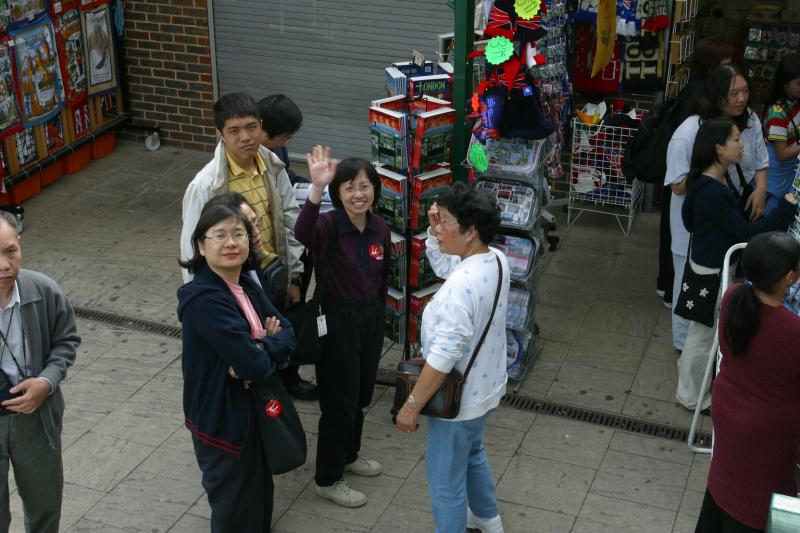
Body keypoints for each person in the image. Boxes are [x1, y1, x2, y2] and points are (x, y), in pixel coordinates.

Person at [180, 92, 317, 401]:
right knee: (242, 348)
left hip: (272, 274)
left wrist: (295, 276)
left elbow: (289, 221)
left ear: (261, 126)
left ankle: (281, 384)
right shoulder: (206, 185)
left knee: (275, 332)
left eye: (251, 127)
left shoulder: (272, 165)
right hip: (235, 282)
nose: (245, 137)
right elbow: (191, 248)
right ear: (219, 134)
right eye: (234, 130)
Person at [395, 184, 510, 533]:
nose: (438, 228)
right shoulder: (495, 260)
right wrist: (435, 231)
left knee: (445, 482)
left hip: (458, 402)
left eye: (445, 222)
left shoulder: (462, 286)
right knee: (473, 452)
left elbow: (444, 357)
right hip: (485, 391)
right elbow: (450, 266)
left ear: (470, 230)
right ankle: (488, 519)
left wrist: (412, 404)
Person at [177, 203, 295, 532]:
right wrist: (265, 352)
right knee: (234, 505)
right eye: (220, 235)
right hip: (222, 421)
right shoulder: (203, 299)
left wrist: (262, 348)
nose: (231, 243)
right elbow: (255, 364)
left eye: (238, 234)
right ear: (201, 245)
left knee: (259, 498)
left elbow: (287, 332)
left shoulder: (244, 283)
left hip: (252, 410)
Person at [676, 117, 796, 411]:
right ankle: (690, 395)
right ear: (719, 149)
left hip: (704, 265)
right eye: (736, 140)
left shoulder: (708, 181)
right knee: (702, 335)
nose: (742, 145)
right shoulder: (713, 191)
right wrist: (784, 210)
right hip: (712, 271)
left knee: (702, 332)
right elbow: (745, 234)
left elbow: (691, 222)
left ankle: (691, 387)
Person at [295, 146, 390, 508]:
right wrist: (316, 188)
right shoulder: (328, 225)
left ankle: (349, 456)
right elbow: (302, 234)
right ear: (338, 194)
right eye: (349, 188)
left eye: (364, 186)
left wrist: (379, 316)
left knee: (362, 395)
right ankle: (328, 478)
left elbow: (383, 279)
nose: (358, 194)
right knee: (338, 401)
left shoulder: (380, 227)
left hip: (370, 320)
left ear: (375, 190)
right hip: (336, 321)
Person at [696, 232, 800, 532]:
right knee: (753, 504)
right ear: (789, 278)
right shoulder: (792, 331)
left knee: (724, 489)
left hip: (728, 414)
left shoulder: (734, 297)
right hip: (766, 435)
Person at [665, 64, 769, 354]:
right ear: (716, 95)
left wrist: (760, 189)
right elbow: (677, 184)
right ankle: (685, 349)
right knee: (688, 283)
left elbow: (761, 162)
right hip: (698, 223)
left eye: (745, 91)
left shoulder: (751, 121)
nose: (741, 98)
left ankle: (708, 349)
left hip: (727, 216)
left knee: (720, 280)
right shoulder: (689, 132)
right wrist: (713, 167)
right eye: (733, 93)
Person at [0, 210, 80, 533]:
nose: (4, 265)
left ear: (20, 245)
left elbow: (66, 339)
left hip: (35, 418)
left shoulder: (44, 290)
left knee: (45, 509)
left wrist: (47, 382)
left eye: (10, 251)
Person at [656, 38, 734, 308]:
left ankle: (669, 290)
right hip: (687, 201)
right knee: (683, 268)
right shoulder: (692, 122)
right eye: (725, 66)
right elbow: (679, 183)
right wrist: (709, 166)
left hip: (693, 203)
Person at [762, 54, 800, 216]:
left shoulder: (796, 103)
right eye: (798, 83)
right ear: (785, 84)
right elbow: (782, 154)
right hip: (776, 180)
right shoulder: (777, 113)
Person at [257, 94, 307, 185]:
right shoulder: (245, 158)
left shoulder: (279, 149)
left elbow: (286, 177)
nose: (285, 143)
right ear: (263, 131)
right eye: (285, 138)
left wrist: (312, 185)